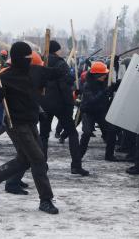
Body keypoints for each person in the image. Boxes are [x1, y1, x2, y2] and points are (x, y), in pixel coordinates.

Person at [0, 42, 61, 214]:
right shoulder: (5, 77)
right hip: (15, 124)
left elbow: (57, 73)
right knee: (38, 159)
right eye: (26, 59)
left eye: (30, 59)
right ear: (17, 59)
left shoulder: (34, 71)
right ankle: (45, 200)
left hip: (31, 122)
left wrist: (60, 65)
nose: (29, 61)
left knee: (25, 160)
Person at [39, 41, 89, 176]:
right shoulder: (61, 64)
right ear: (56, 50)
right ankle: (76, 166)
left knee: (43, 135)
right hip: (61, 103)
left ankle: (41, 165)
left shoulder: (40, 62)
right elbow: (67, 82)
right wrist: (70, 103)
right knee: (72, 134)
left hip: (44, 103)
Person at [79, 61, 119, 161]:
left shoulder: (105, 82)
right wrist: (104, 92)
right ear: (96, 75)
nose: (105, 76)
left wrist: (115, 85)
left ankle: (109, 155)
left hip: (101, 111)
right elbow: (91, 100)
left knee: (112, 131)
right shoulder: (87, 85)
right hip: (89, 112)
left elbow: (113, 86)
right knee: (87, 133)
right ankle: (79, 155)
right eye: (103, 74)